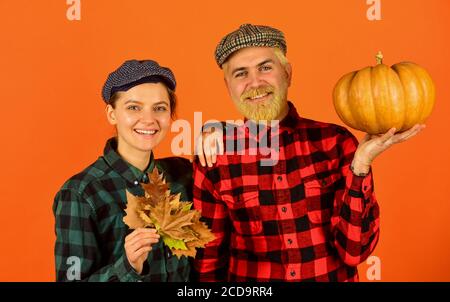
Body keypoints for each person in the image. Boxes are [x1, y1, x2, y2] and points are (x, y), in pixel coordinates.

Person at [192, 24, 425, 281]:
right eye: (240, 73)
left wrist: (361, 164)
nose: (254, 82)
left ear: (288, 73)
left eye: (265, 67)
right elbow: (209, 259)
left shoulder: (335, 143)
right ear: (228, 86)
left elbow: (354, 252)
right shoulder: (215, 155)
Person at [53, 60, 192, 281]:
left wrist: (213, 130)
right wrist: (127, 267)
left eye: (159, 108)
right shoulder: (81, 193)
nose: (148, 119)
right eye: (133, 107)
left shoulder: (182, 174)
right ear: (112, 114)